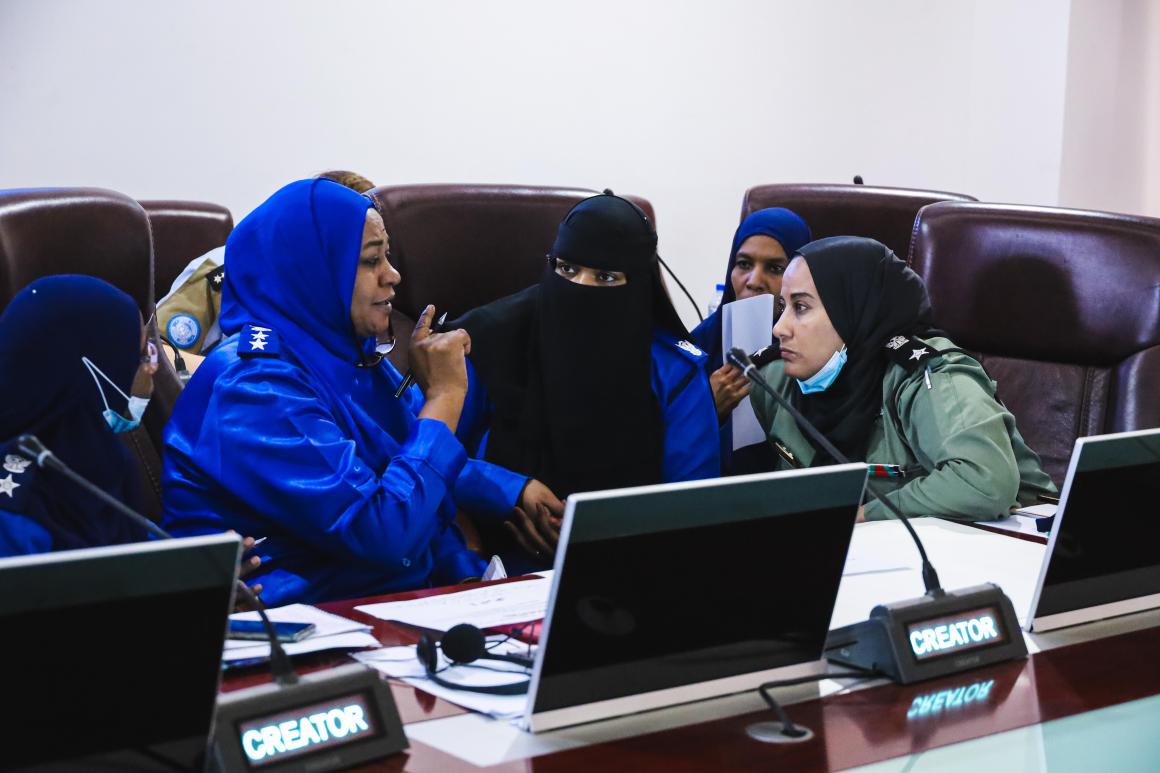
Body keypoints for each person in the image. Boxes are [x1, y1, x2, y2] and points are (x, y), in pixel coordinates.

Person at [161, 179, 561, 606]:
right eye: (372, 260)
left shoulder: (340, 354)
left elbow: (403, 458)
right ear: (313, 273)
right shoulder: (254, 386)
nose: (393, 275)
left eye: (387, 256)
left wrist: (509, 492)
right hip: (303, 617)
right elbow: (385, 533)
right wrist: (444, 398)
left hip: (379, 599)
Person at [454, 191, 719, 562]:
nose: (580, 288)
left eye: (606, 276)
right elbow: (424, 457)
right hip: (490, 569)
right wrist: (512, 491)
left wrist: (598, 534)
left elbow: (692, 509)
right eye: (567, 270)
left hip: (633, 568)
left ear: (639, 284)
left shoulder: (672, 371)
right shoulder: (488, 342)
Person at [750, 236, 1056, 522]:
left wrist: (864, 516)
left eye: (801, 307)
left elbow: (984, 482)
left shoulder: (927, 375)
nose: (779, 328)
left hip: (1008, 544)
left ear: (853, 310)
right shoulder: (773, 379)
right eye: (783, 306)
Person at [0, 276, 158, 555]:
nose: (151, 369)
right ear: (94, 373)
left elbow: (145, 554)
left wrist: (208, 565)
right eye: (144, 355)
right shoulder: (13, 517)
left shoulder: (103, 463)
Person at [688, 207, 812, 474]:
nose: (754, 281)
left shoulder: (820, 350)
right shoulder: (698, 348)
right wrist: (706, 410)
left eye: (775, 268)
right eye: (744, 264)